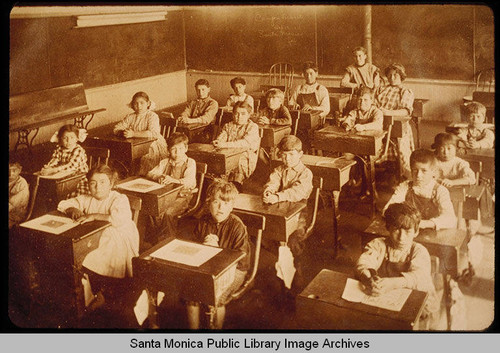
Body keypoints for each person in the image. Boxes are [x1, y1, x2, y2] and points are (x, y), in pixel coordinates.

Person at [57, 164, 139, 307]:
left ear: (111, 184)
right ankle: (91, 289)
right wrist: (72, 209)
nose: (97, 187)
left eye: (102, 183)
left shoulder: (119, 198)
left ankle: (101, 289)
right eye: (93, 183)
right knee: (82, 251)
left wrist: (94, 215)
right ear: (88, 185)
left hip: (118, 235)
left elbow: (119, 218)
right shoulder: (86, 198)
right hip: (96, 235)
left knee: (95, 253)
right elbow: (63, 203)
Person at [357, 203, 440, 329]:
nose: (401, 237)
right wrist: (369, 278)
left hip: (420, 306)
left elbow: (418, 277)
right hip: (389, 300)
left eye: (407, 231)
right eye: (396, 229)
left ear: (416, 232)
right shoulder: (378, 245)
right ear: (388, 228)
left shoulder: (418, 251)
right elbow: (364, 263)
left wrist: (393, 284)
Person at [186, 179, 250, 329]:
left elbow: (240, 259)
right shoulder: (203, 221)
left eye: (226, 203)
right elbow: (193, 248)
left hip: (235, 270)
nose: (220, 207)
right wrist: (202, 247)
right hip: (208, 267)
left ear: (232, 206)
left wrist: (216, 251)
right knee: (190, 294)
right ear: (208, 203)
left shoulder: (237, 226)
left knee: (214, 297)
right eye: (216, 202)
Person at [263, 135, 313, 297]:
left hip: (300, 214)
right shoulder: (279, 170)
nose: (287, 159)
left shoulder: (306, 173)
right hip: (281, 211)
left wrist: (277, 197)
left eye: (291, 154)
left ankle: (294, 280)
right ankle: (283, 268)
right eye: (284, 155)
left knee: (293, 241)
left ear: (300, 154)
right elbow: (272, 181)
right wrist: (269, 190)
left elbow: (297, 192)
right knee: (266, 235)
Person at [383, 149, 456, 230]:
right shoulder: (405, 187)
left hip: (432, 232)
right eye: (415, 170)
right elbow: (387, 210)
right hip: (409, 230)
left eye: (424, 171)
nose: (418, 175)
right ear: (411, 170)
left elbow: (450, 219)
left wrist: (424, 224)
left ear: (433, 172)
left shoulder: (440, 191)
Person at [146, 132, 197, 245]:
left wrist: (174, 180)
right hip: (166, 196)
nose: (177, 152)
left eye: (180, 148)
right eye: (173, 149)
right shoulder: (165, 162)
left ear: (186, 148)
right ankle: (154, 240)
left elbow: (189, 182)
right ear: (169, 150)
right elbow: (150, 173)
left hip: (183, 196)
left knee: (168, 213)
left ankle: (168, 241)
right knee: (153, 209)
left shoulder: (190, 163)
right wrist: (159, 176)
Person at [341, 86, 383, 197]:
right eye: (359, 99)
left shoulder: (376, 112)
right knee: (346, 156)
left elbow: (378, 125)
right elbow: (349, 119)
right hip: (356, 145)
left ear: (372, 101)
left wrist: (363, 127)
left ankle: (367, 188)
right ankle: (349, 184)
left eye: (365, 100)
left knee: (366, 159)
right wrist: (346, 123)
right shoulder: (355, 112)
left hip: (373, 147)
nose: (362, 102)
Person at [375, 63, 415, 180]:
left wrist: (387, 112)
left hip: (398, 127)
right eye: (390, 75)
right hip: (379, 125)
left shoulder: (405, 91)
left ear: (401, 76)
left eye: (396, 75)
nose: (392, 78)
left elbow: (406, 111)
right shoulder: (381, 89)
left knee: (403, 152)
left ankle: (407, 178)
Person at [113, 91, 168, 175]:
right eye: (136, 104)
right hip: (135, 145)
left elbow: (153, 133)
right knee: (122, 156)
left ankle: (144, 176)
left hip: (152, 144)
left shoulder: (152, 116)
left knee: (146, 159)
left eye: (142, 103)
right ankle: (130, 176)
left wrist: (133, 134)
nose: (139, 106)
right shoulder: (130, 117)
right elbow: (117, 128)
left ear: (148, 103)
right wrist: (123, 132)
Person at [212, 101, 261, 190]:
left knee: (238, 164)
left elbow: (244, 143)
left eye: (243, 114)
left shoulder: (252, 127)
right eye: (236, 114)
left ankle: (236, 185)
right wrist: (218, 141)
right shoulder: (228, 125)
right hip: (228, 154)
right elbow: (223, 136)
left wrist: (224, 144)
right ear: (233, 114)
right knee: (216, 160)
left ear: (249, 115)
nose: (239, 117)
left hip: (246, 156)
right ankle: (218, 186)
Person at [41, 124, 89, 195]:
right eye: (65, 138)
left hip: (78, 180)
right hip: (64, 179)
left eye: (72, 138)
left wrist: (54, 170)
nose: (68, 141)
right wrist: (49, 167)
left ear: (77, 139)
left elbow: (71, 166)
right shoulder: (59, 149)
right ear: (60, 139)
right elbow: (54, 160)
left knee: (72, 195)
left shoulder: (78, 150)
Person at [340, 46, 381, 113]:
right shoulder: (351, 69)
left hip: (371, 96)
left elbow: (376, 86)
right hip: (357, 97)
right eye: (355, 56)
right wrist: (357, 85)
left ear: (365, 56)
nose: (358, 58)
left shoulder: (372, 68)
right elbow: (343, 83)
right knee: (352, 109)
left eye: (360, 56)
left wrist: (371, 97)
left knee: (373, 109)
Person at [9, 160, 29, 228]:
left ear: (19, 170)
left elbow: (13, 207)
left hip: (14, 216)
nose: (10, 174)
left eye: (14, 170)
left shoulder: (21, 184)